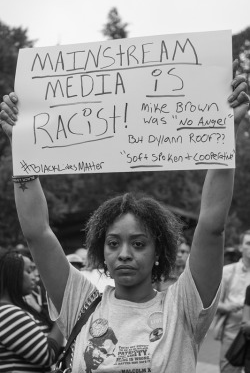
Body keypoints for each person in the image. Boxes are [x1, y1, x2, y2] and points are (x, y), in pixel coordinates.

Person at [0, 60, 249, 372]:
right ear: (101, 252)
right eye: (113, 243)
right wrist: (21, 146)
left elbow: (211, 226)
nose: (125, 254)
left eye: (139, 244)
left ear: (159, 252)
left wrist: (226, 132)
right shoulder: (81, 302)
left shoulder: (182, 308)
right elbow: (37, 233)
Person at [0, 248, 64, 372]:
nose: (35, 276)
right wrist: (62, 315)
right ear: (13, 275)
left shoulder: (13, 310)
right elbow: (47, 355)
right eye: (29, 271)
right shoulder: (7, 314)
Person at [217, 230, 250, 372]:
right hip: (232, 331)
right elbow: (213, 303)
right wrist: (228, 307)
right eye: (248, 243)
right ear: (240, 247)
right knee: (228, 369)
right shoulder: (227, 272)